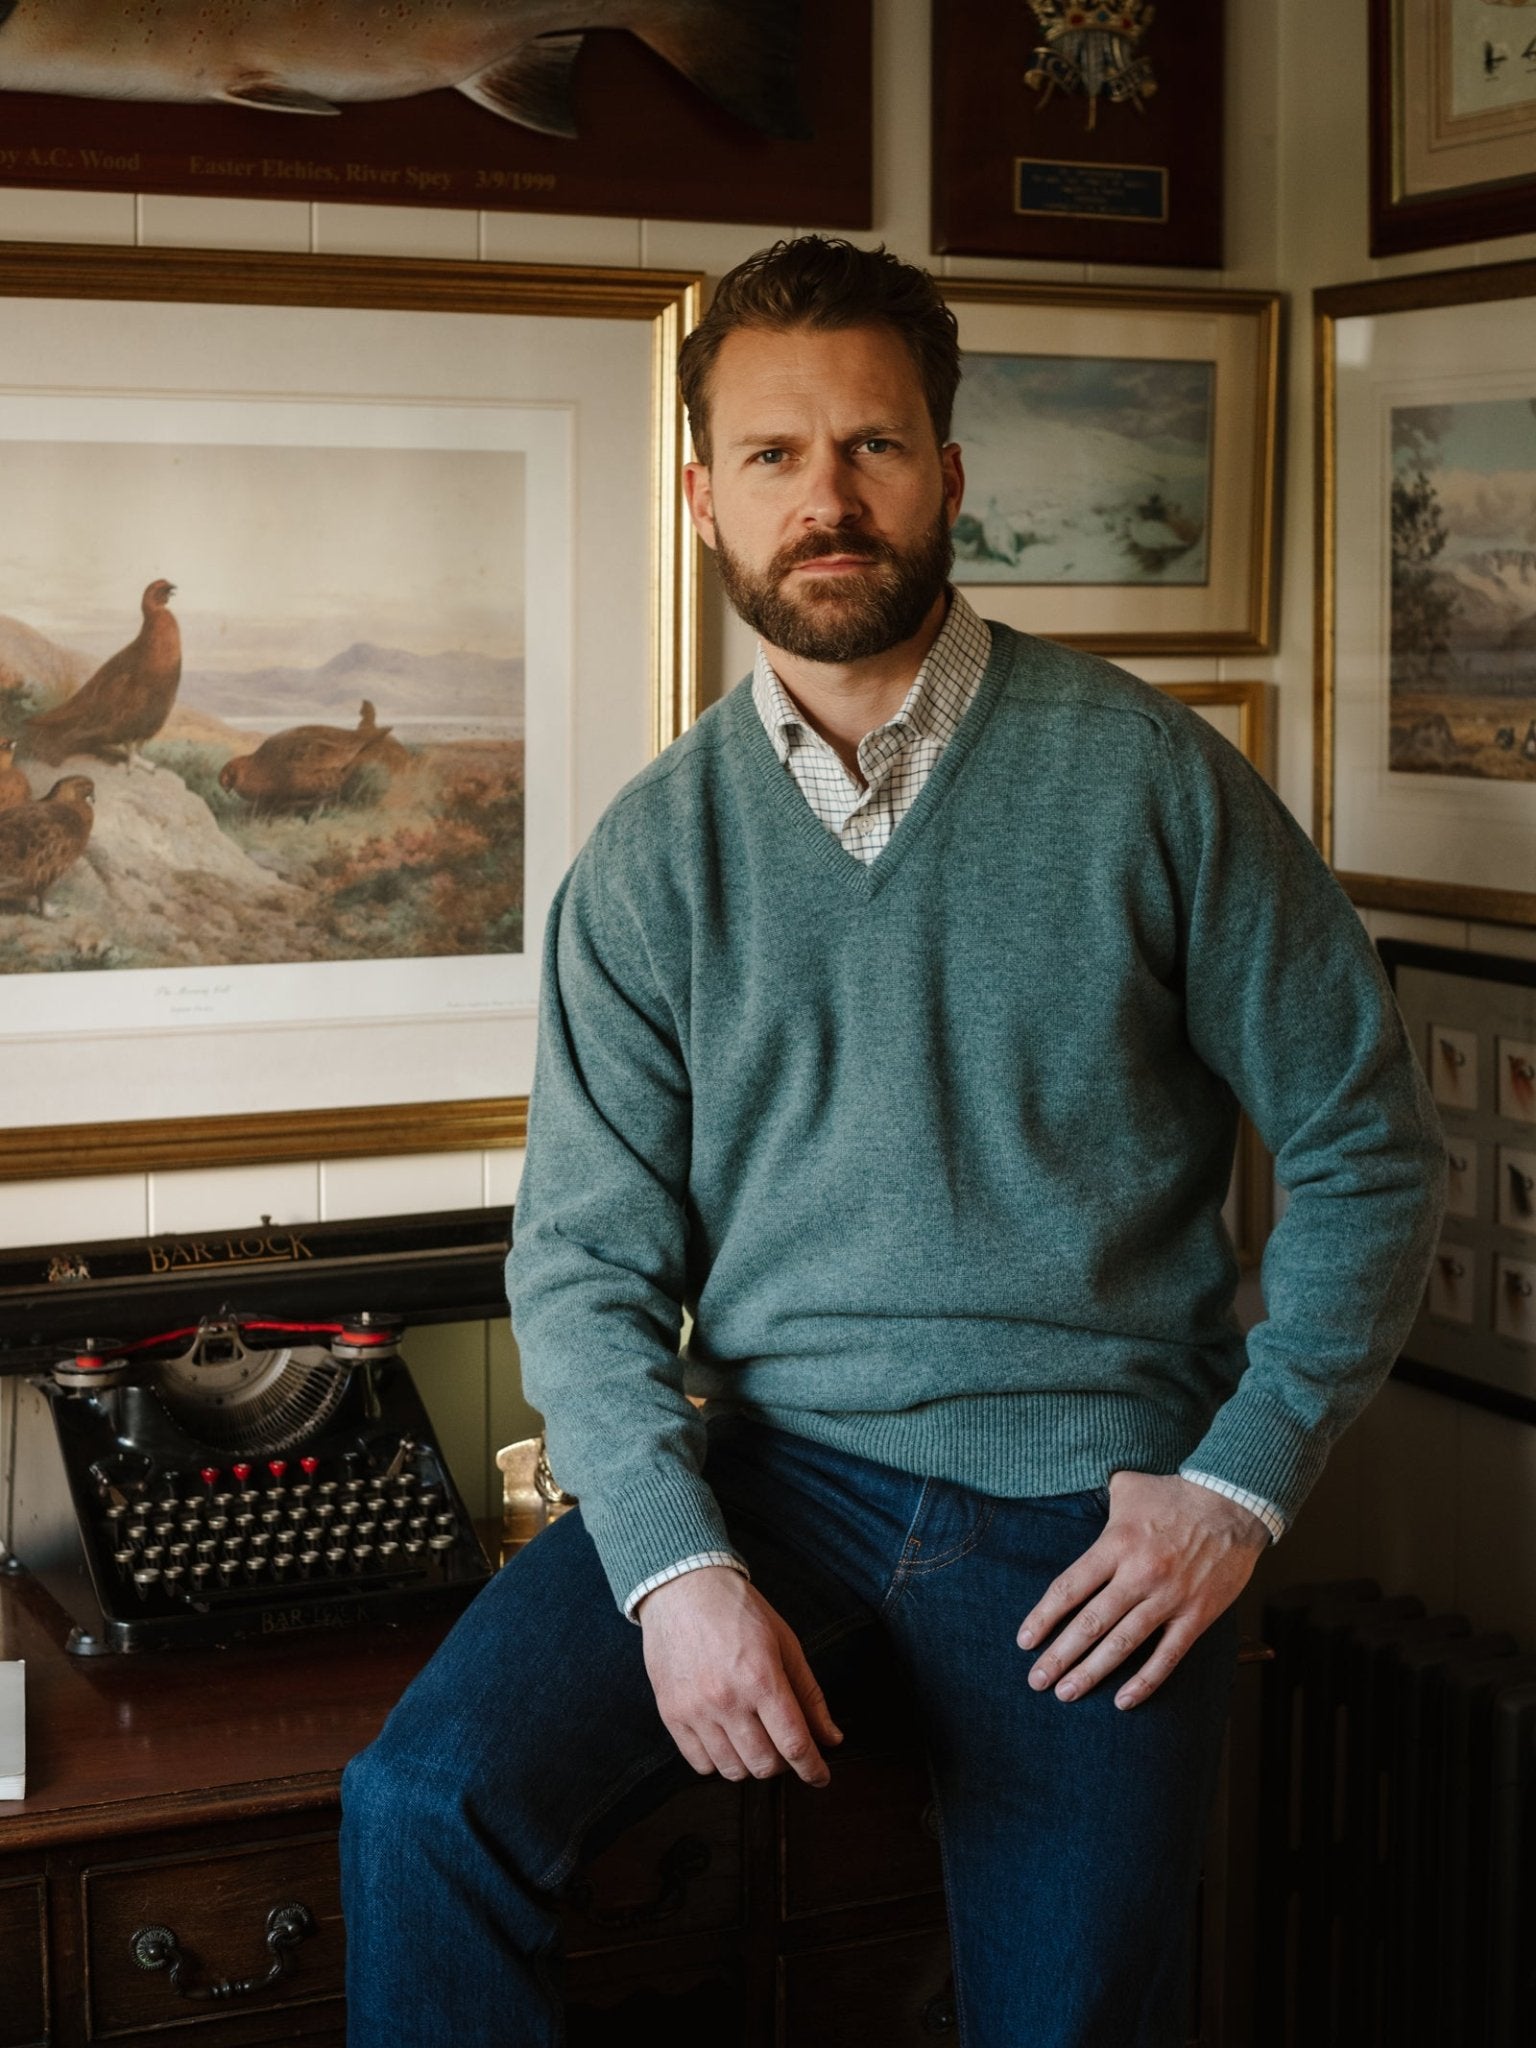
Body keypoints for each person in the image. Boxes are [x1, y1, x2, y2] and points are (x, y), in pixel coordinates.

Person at [340, 237, 1444, 2047]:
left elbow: (1368, 1150)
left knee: (1071, 2023)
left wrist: (1241, 1488)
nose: (827, 499)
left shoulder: (1152, 781)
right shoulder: (650, 859)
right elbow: (583, 1261)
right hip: (774, 1483)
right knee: (418, 1808)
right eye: (774, 455)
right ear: (705, 498)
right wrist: (677, 1572)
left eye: (872, 445)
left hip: (1093, 1514)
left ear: (948, 473)